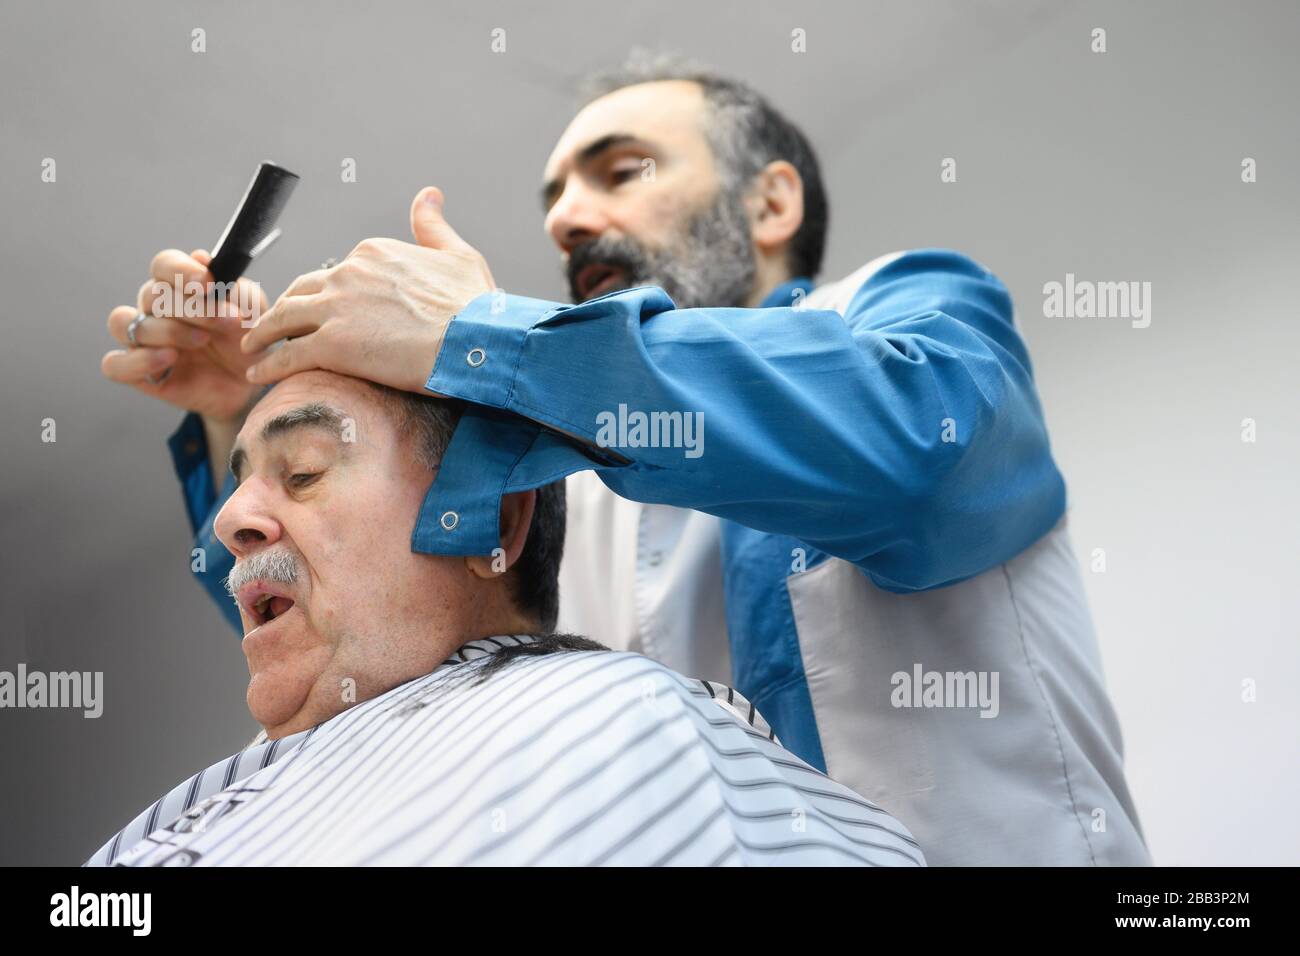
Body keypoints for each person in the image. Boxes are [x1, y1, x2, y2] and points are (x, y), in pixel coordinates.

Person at [101, 53, 1149, 865]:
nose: (564, 217)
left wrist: (482, 335)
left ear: (771, 203)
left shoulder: (901, 317)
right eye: (556, 192)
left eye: (620, 169)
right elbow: (348, 614)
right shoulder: (562, 471)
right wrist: (241, 409)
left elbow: (920, 446)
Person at [86, 370, 924, 867]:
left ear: (490, 523)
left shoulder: (609, 715)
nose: (231, 520)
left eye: (302, 472)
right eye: (239, 484)